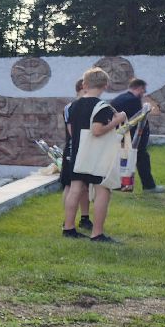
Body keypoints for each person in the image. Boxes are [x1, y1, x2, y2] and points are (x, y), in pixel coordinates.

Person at [61, 67, 126, 242]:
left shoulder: (73, 105)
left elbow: (74, 131)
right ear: (105, 85)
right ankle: (97, 233)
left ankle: (68, 228)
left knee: (75, 190)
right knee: (102, 191)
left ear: (85, 84)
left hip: (78, 153)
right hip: (97, 155)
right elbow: (97, 131)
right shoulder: (102, 107)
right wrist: (117, 121)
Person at [109, 78, 165, 194]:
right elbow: (138, 120)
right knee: (142, 160)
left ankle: (117, 185)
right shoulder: (132, 100)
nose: (143, 94)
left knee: (121, 163)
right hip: (133, 140)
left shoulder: (119, 98)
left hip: (120, 137)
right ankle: (149, 187)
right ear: (139, 88)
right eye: (143, 91)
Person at [60, 77, 93, 231]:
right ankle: (67, 220)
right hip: (73, 150)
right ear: (83, 86)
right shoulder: (70, 107)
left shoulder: (92, 104)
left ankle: (85, 219)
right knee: (70, 185)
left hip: (87, 150)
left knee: (85, 186)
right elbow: (72, 132)